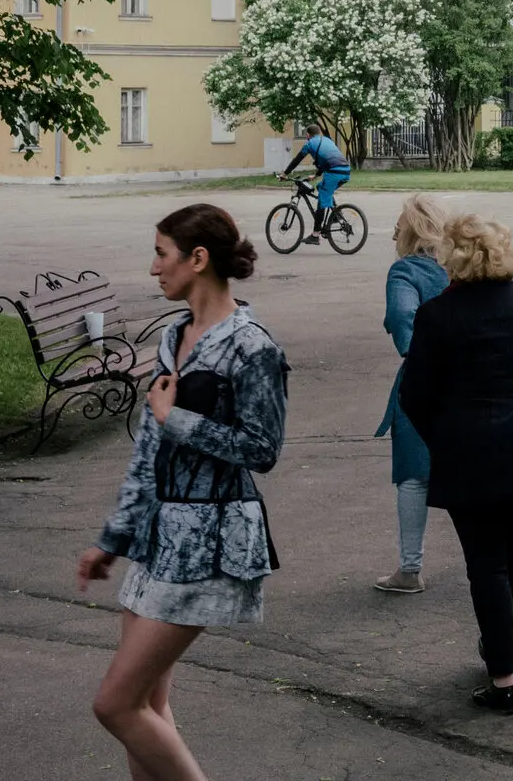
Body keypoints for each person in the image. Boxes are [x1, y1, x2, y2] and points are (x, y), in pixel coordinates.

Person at [78, 204, 287, 780]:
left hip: (212, 542)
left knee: (115, 704)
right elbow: (147, 451)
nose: (153, 268)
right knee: (145, 706)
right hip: (157, 542)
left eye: (161, 254)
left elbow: (262, 449)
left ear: (198, 259)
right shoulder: (174, 336)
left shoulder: (252, 347)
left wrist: (178, 420)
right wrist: (112, 540)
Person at [399, 213, 513, 714]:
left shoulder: (439, 315)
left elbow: (414, 395)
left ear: (451, 257)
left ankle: (504, 678)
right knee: (512, 550)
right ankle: (501, 648)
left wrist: (445, 436)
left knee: (486, 563)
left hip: (472, 449)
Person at [372, 194, 450, 593]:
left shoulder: (404, 272)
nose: (393, 233)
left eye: (399, 226)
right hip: (470, 380)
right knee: (472, 467)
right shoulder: (458, 268)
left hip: (422, 383)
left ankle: (410, 568)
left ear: (413, 230)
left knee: (415, 476)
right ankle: (509, 556)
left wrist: (411, 346)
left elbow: (403, 315)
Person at [283, 122, 351, 244]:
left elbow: (297, 160)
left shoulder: (309, 144)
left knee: (321, 201)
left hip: (334, 173)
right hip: (345, 171)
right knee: (321, 187)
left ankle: (315, 235)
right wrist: (316, 175)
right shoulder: (327, 140)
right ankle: (336, 214)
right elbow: (327, 158)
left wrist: (285, 174)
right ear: (319, 133)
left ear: (308, 135)